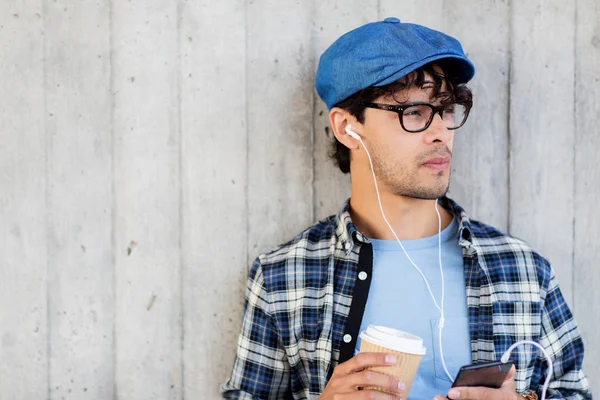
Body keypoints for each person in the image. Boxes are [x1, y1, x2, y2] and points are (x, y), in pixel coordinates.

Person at [222, 17, 591, 400]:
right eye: (414, 112)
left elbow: (574, 391)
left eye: (446, 110)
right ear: (348, 127)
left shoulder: (522, 269)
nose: (441, 132)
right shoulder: (285, 276)